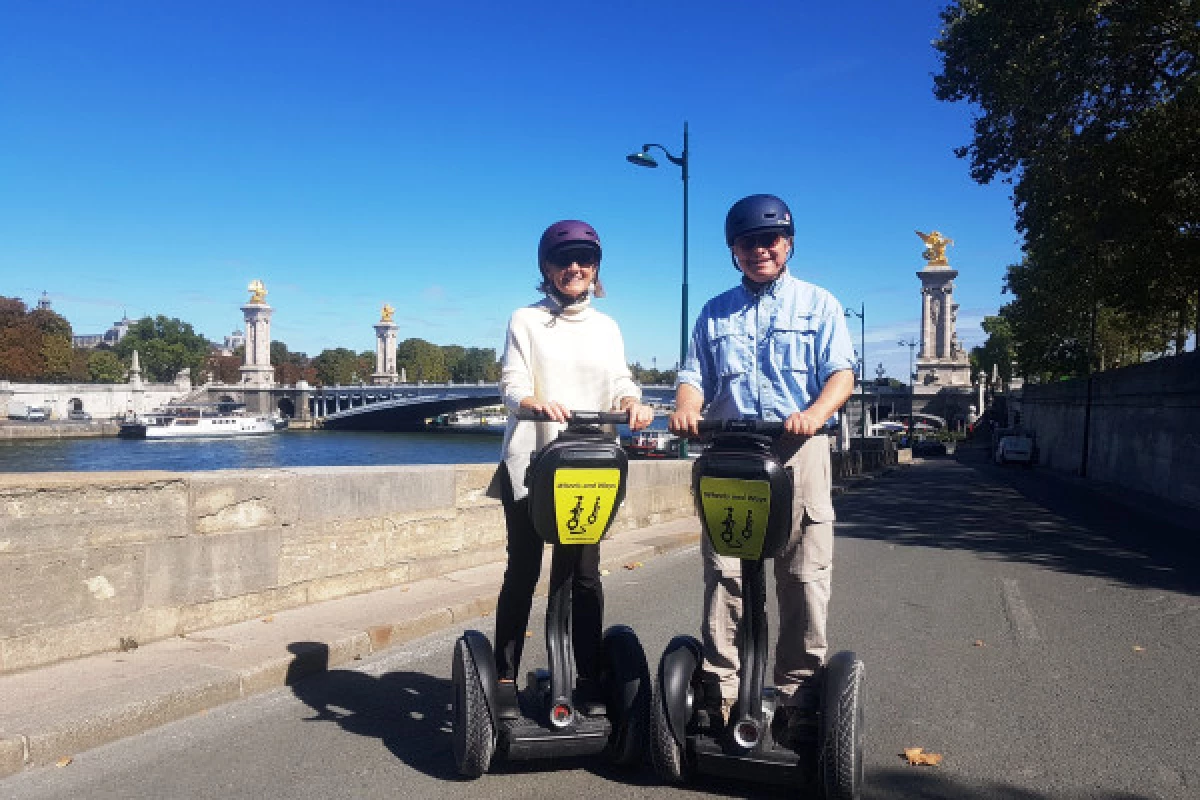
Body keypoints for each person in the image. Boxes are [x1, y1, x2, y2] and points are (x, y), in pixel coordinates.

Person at [668, 194, 856, 739]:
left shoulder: (819, 304)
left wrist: (815, 414)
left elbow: (839, 373)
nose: (761, 250)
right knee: (725, 575)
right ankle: (722, 691)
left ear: (789, 243)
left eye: (770, 240)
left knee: (801, 575)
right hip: (730, 455)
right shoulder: (714, 311)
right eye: (748, 242)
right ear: (734, 250)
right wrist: (685, 407)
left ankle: (798, 695)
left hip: (798, 450)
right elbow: (693, 374)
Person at [488, 219, 655, 718]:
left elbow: (620, 380)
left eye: (584, 260)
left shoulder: (608, 327)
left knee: (583, 575)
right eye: (563, 261)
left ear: (596, 267)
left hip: (588, 465)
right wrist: (532, 401)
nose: (574, 268)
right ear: (546, 267)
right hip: (533, 460)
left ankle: (585, 675)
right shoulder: (525, 319)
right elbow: (511, 383)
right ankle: (503, 675)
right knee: (524, 568)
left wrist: (632, 401)